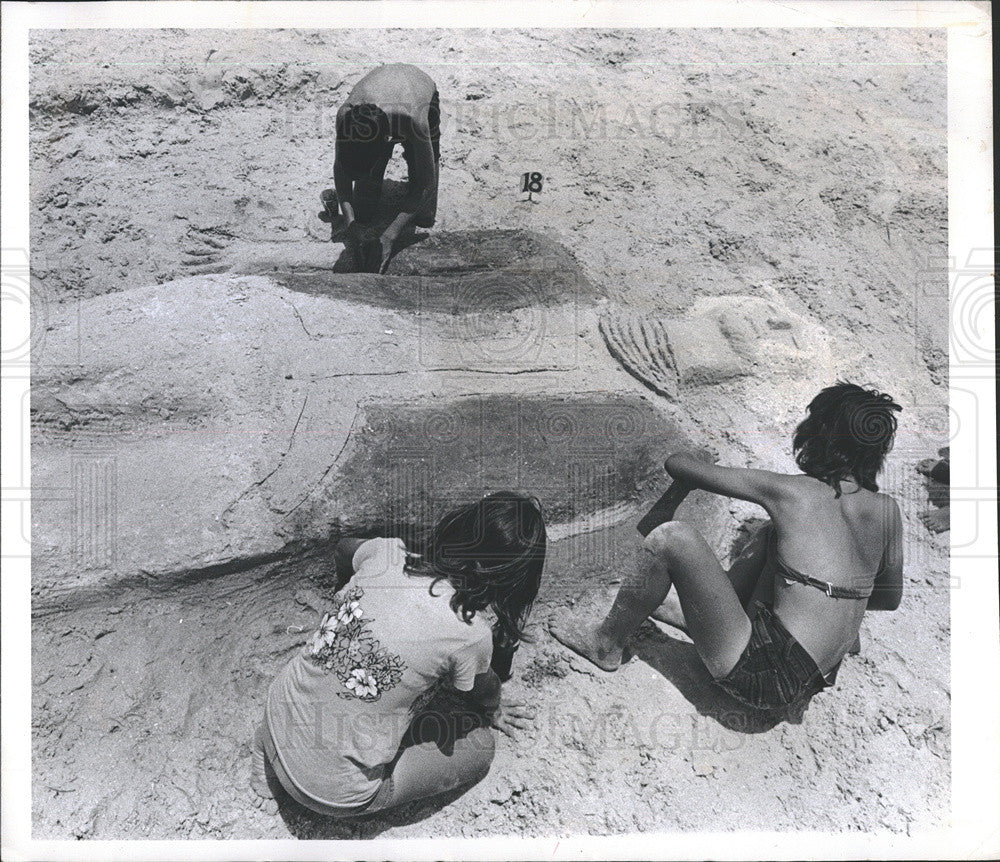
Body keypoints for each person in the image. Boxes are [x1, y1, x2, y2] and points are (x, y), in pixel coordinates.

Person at [550, 382, 904, 712]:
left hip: (760, 679)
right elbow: (888, 599)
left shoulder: (794, 492)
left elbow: (679, 466)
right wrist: (827, 603)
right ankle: (698, 617)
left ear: (818, 437)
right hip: (811, 677)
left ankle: (605, 645)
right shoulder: (887, 511)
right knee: (772, 537)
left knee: (671, 539)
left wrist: (690, 459)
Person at [251, 491, 546, 816]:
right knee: (480, 749)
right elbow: (482, 690)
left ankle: (264, 781)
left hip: (275, 719)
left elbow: (343, 549)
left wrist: (352, 596)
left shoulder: (390, 553)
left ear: (459, 525)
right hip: (331, 793)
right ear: (515, 581)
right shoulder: (471, 635)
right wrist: (495, 710)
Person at [333, 63, 440, 273]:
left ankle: (384, 170)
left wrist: (390, 235)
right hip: (381, 99)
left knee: (425, 217)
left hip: (418, 90)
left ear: (386, 143)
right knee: (363, 212)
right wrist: (351, 223)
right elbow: (341, 170)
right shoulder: (346, 115)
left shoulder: (413, 119)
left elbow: (427, 183)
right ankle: (369, 184)